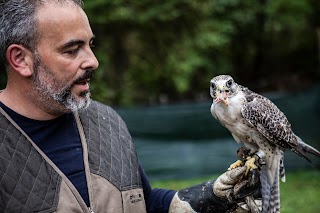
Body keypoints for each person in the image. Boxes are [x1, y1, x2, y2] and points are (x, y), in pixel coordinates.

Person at [0, 0, 260, 212]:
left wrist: (207, 200)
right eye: (72, 50)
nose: (93, 61)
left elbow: (142, 203)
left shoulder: (107, 122)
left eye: (90, 45)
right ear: (21, 59)